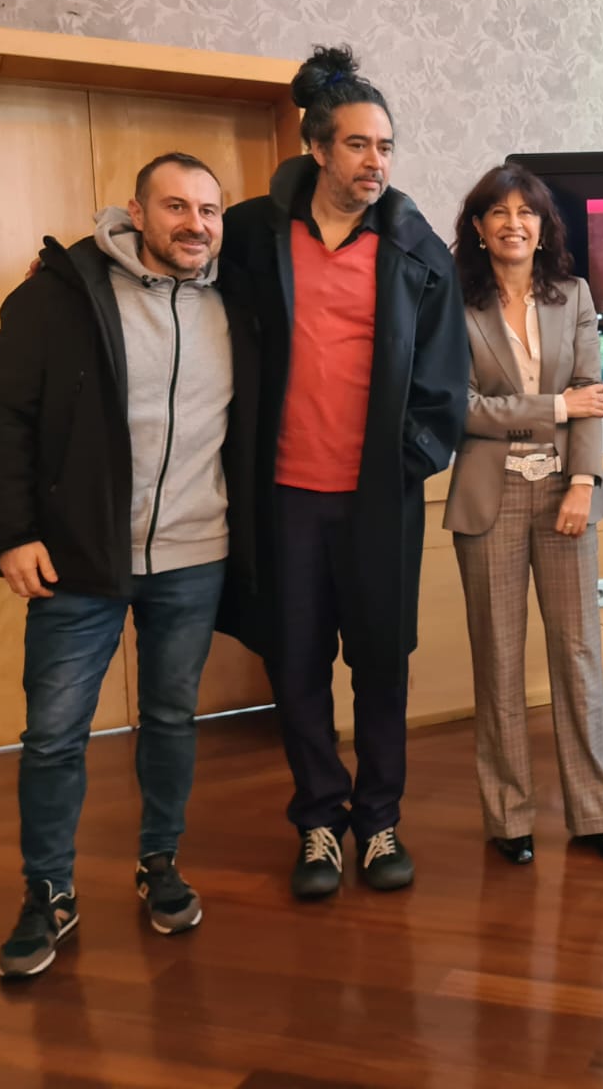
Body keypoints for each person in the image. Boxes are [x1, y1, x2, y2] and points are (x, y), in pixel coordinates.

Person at [0, 152, 257, 977]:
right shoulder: (61, 295)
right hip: (79, 557)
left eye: (208, 209)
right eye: (175, 206)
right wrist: (12, 532)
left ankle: (160, 861)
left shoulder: (239, 301)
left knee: (170, 718)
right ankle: (48, 891)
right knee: (54, 735)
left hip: (195, 554)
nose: (194, 224)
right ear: (136, 211)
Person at [221, 45, 469, 900]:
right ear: (318, 148)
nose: (376, 162)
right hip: (283, 498)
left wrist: (404, 466)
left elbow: (446, 386)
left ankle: (380, 819)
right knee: (295, 665)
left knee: (381, 664)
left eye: (386, 146)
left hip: (375, 503)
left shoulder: (417, 250)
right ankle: (319, 821)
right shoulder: (252, 235)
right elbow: (170, 261)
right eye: (358, 145)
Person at [444, 164, 603, 867]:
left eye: (526, 212)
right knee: (497, 660)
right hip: (487, 499)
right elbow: (462, 408)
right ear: (478, 227)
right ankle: (509, 818)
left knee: (579, 656)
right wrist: (554, 407)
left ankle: (597, 814)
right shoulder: (453, 302)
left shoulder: (574, 294)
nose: (513, 223)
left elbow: (593, 392)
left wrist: (583, 481)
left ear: (542, 225)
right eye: (498, 212)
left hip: (565, 494)